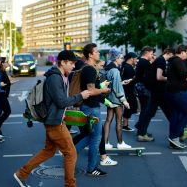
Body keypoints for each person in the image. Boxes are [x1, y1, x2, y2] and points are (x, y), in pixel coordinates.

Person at [14, 50, 97, 187]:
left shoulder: (60, 76)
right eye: (71, 63)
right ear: (62, 62)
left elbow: (59, 102)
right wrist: (80, 96)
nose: (73, 66)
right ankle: (70, 185)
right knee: (71, 154)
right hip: (54, 122)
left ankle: (21, 174)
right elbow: (61, 101)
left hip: (55, 120)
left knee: (49, 150)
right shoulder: (55, 78)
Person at [74, 43, 111, 177]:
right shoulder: (89, 69)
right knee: (96, 138)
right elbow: (90, 90)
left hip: (89, 106)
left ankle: (70, 155)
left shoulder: (89, 68)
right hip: (91, 107)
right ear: (90, 54)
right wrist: (104, 90)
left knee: (90, 136)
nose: (99, 53)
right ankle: (92, 168)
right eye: (96, 52)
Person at [166, 45, 187, 149]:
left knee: (174, 116)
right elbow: (184, 76)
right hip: (178, 92)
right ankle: (175, 136)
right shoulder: (178, 61)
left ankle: (173, 140)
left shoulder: (172, 61)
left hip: (171, 92)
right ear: (182, 52)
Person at [103, 48, 131, 150]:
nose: (122, 60)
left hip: (109, 98)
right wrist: (124, 100)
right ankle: (120, 143)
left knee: (108, 120)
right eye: (121, 58)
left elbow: (111, 83)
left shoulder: (108, 68)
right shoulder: (115, 70)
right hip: (117, 99)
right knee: (119, 121)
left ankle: (105, 143)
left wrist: (122, 82)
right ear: (116, 58)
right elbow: (117, 88)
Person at [134, 46, 156, 142]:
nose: (152, 56)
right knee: (146, 111)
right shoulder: (145, 63)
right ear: (146, 52)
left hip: (140, 89)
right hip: (145, 90)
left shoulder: (141, 62)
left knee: (144, 110)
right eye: (151, 53)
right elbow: (149, 78)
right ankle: (142, 133)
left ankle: (140, 129)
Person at [121, 52, 138, 131]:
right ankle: (125, 125)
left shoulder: (126, 66)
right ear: (132, 58)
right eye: (136, 58)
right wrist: (135, 78)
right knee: (130, 107)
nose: (136, 60)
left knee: (130, 107)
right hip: (128, 90)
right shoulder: (128, 67)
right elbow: (128, 80)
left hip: (127, 90)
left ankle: (125, 124)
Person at [0, 57, 12, 136]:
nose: (8, 63)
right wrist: (0, 84)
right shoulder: (0, 71)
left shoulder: (3, 71)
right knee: (7, 111)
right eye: (7, 61)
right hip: (0, 94)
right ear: (3, 63)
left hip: (2, 94)